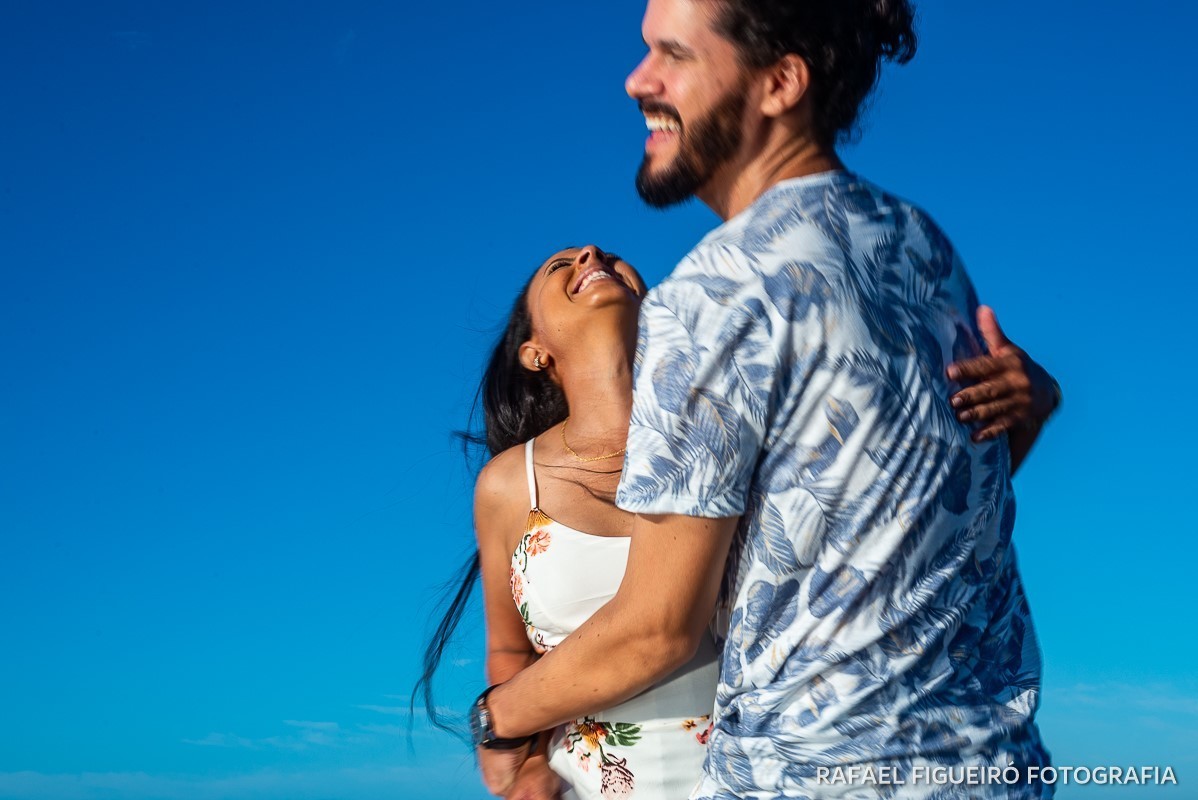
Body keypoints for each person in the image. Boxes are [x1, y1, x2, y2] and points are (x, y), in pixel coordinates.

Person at [473, 1, 1057, 798]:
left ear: (780, 82)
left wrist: (495, 722)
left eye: (671, 56)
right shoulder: (921, 247)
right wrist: (1033, 408)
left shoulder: (713, 294)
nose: (637, 81)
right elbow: (918, 516)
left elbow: (658, 628)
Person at [419, 242, 1058, 798]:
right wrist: (521, 762)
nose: (593, 257)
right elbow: (511, 649)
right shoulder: (511, 484)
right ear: (535, 353)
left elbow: (908, 533)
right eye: (562, 264)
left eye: (609, 256)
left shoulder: (750, 428)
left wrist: (1021, 410)